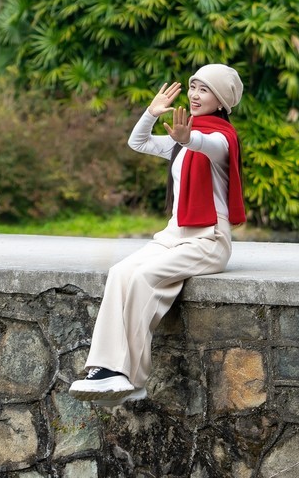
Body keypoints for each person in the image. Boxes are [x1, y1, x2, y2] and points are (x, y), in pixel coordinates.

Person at [68, 64, 245, 405]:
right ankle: (105, 370)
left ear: (221, 99)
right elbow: (138, 142)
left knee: (144, 277)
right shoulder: (180, 142)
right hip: (172, 236)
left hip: (208, 241)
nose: (193, 95)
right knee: (120, 272)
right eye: (192, 87)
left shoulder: (222, 139)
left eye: (203, 89)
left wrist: (186, 138)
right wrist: (150, 113)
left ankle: (131, 377)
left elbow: (204, 144)